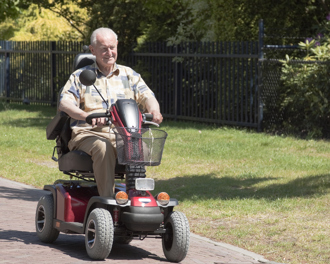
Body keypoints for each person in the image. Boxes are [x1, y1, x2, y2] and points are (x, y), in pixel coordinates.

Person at [58, 27, 163, 197]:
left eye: (112, 47)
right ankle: (107, 201)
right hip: (88, 133)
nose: (109, 53)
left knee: (139, 145)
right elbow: (65, 103)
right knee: (102, 147)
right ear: (92, 50)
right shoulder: (81, 76)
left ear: (117, 46)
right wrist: (87, 116)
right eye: (103, 49)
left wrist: (154, 110)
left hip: (124, 133)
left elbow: (147, 95)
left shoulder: (129, 75)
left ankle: (136, 195)